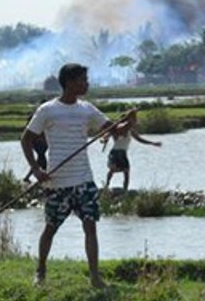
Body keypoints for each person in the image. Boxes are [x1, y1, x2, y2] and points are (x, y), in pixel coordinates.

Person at [21, 63, 130, 289]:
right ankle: (40, 271)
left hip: (84, 180)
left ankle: (95, 276)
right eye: (82, 80)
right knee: (50, 228)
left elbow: (114, 129)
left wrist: (127, 123)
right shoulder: (47, 110)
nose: (86, 84)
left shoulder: (87, 109)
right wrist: (36, 170)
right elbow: (26, 139)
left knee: (90, 226)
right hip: (57, 182)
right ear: (69, 83)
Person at [102, 116, 162, 191]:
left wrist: (152, 143)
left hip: (123, 152)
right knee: (113, 169)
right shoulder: (116, 130)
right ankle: (106, 186)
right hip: (115, 152)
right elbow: (107, 135)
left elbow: (139, 139)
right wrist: (104, 139)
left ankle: (125, 191)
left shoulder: (130, 131)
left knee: (126, 171)